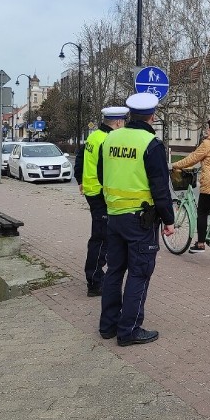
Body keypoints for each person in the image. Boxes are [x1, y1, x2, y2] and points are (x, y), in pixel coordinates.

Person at [97, 92, 174, 347]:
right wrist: (169, 220)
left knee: (114, 271)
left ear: (130, 115)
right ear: (152, 115)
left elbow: (101, 173)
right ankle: (129, 330)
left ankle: (107, 325)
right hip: (140, 221)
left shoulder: (110, 139)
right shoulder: (151, 143)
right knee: (139, 273)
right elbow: (160, 188)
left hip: (113, 216)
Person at [74, 105, 128, 297]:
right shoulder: (109, 139)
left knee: (101, 236)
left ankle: (97, 276)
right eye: (123, 122)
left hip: (91, 191)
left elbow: (80, 157)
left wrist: (80, 179)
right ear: (118, 122)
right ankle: (95, 281)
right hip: (101, 194)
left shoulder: (94, 136)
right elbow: (107, 169)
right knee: (101, 238)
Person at [171, 117, 210, 253]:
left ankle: (200, 244)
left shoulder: (208, 143)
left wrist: (175, 165)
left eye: (208, 129)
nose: (207, 132)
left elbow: (193, 158)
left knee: (202, 212)